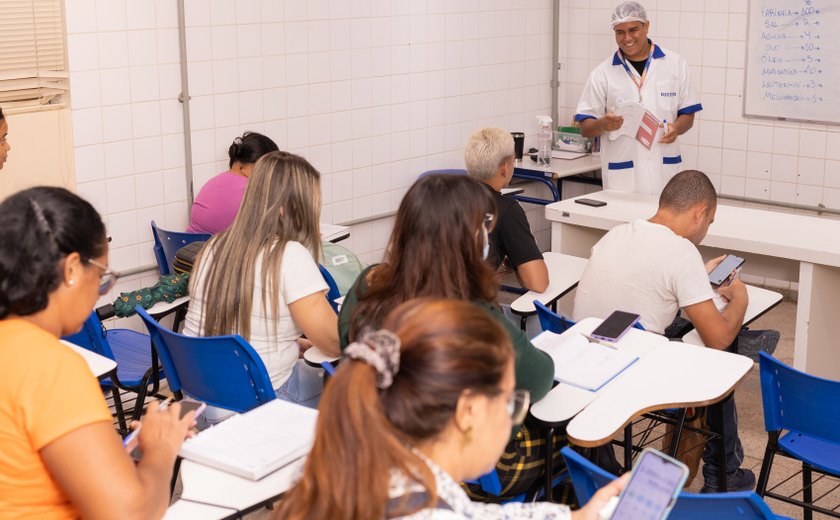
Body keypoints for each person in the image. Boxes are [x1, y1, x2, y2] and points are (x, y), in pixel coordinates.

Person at [279, 298, 628, 519]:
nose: (514, 416)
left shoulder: (376, 469)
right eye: (510, 401)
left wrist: (579, 518)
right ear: (469, 411)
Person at [339, 174, 556, 500]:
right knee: (571, 441)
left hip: (384, 451)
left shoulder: (367, 285)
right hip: (470, 463)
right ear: (468, 236)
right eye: (483, 226)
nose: (487, 235)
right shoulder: (470, 311)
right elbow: (538, 378)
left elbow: (347, 346)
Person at [0, 187, 194, 519]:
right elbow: (129, 514)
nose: (101, 291)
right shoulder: (52, 368)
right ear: (72, 269)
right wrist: (161, 449)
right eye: (102, 277)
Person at [572, 169, 759, 493]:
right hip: (629, 376)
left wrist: (696, 277)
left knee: (685, 331)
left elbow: (648, 280)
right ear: (699, 212)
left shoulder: (617, 233)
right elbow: (719, 338)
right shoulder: (681, 251)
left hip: (583, 363)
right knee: (721, 359)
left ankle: (721, 469)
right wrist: (740, 297)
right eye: (709, 221)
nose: (706, 230)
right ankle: (723, 475)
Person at [184, 151, 340, 410]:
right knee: (353, 383)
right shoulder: (289, 255)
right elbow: (334, 343)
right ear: (287, 208)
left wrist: (291, 343)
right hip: (259, 406)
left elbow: (229, 328)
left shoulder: (214, 247)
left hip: (200, 404)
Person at [575, 1, 702, 195]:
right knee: (623, 224)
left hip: (664, 171)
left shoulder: (675, 65)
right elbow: (585, 127)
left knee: (665, 224)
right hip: (624, 176)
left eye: (633, 30)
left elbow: (688, 115)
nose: (627, 38)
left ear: (646, 26)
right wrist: (603, 124)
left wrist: (675, 128)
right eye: (620, 32)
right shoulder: (602, 73)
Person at [464, 127, 548, 293]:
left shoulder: (443, 199)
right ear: (505, 167)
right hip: (470, 314)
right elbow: (538, 283)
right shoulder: (506, 210)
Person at [186, 131, 279, 234]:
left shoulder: (212, 183)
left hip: (188, 247)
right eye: (270, 168)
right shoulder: (252, 191)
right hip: (220, 249)